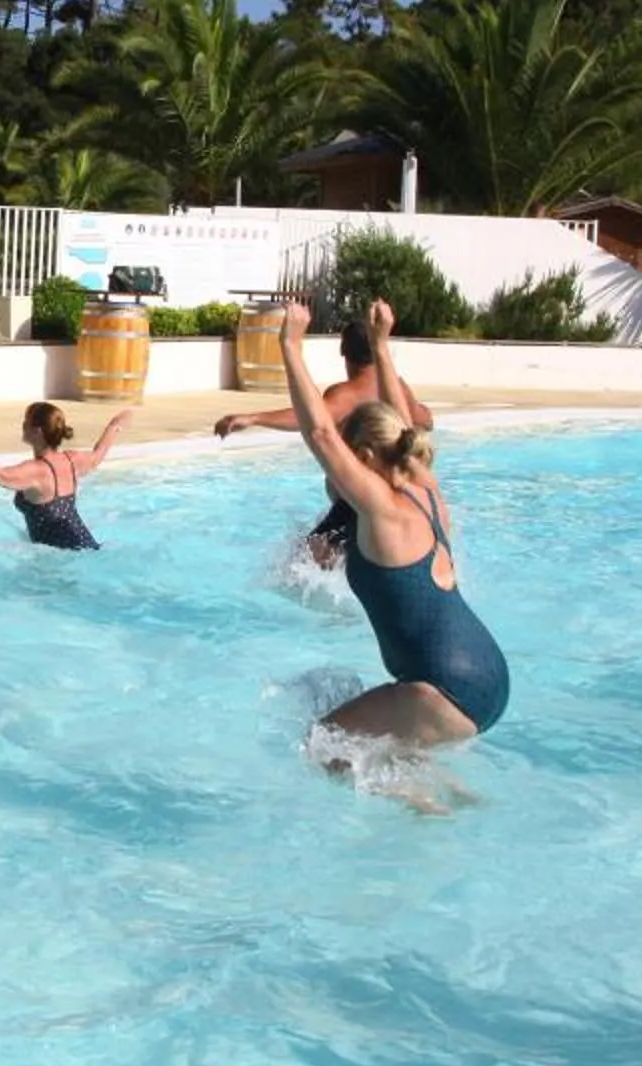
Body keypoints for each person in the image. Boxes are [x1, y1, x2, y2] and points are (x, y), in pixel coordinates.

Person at [279, 299, 510, 755]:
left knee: (324, 747)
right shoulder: (426, 491)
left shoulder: (382, 510)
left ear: (364, 460)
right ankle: (449, 803)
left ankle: (434, 810)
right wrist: (381, 345)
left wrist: (290, 346)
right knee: (388, 753)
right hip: (489, 673)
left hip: (444, 687)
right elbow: (401, 424)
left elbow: (322, 434)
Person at [218, 315, 436, 567]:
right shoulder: (397, 387)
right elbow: (424, 420)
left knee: (298, 566)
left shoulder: (346, 393)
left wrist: (255, 417)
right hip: (402, 500)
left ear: (344, 351)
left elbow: (312, 420)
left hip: (357, 504)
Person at [0, 402, 132, 551]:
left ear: (37, 431)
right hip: (87, 547)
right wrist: (113, 426)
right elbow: (97, 455)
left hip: (65, 559)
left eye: (26, 422)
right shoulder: (71, 461)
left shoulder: (37, 470)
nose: (23, 425)